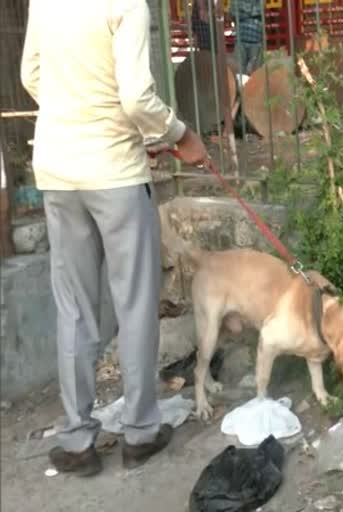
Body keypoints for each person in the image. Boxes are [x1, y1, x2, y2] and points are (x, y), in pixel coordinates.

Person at [21, 0, 207, 476]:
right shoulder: (126, 5)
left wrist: (75, 113)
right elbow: (135, 98)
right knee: (135, 304)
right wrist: (181, 134)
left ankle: (77, 440)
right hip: (116, 173)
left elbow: (31, 76)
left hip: (58, 170)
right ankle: (140, 432)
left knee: (75, 309)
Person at [230, 0, 264, 74]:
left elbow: (261, 10)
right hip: (240, 39)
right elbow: (232, 13)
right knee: (239, 72)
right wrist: (251, 13)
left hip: (256, 39)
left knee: (256, 73)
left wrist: (242, 11)